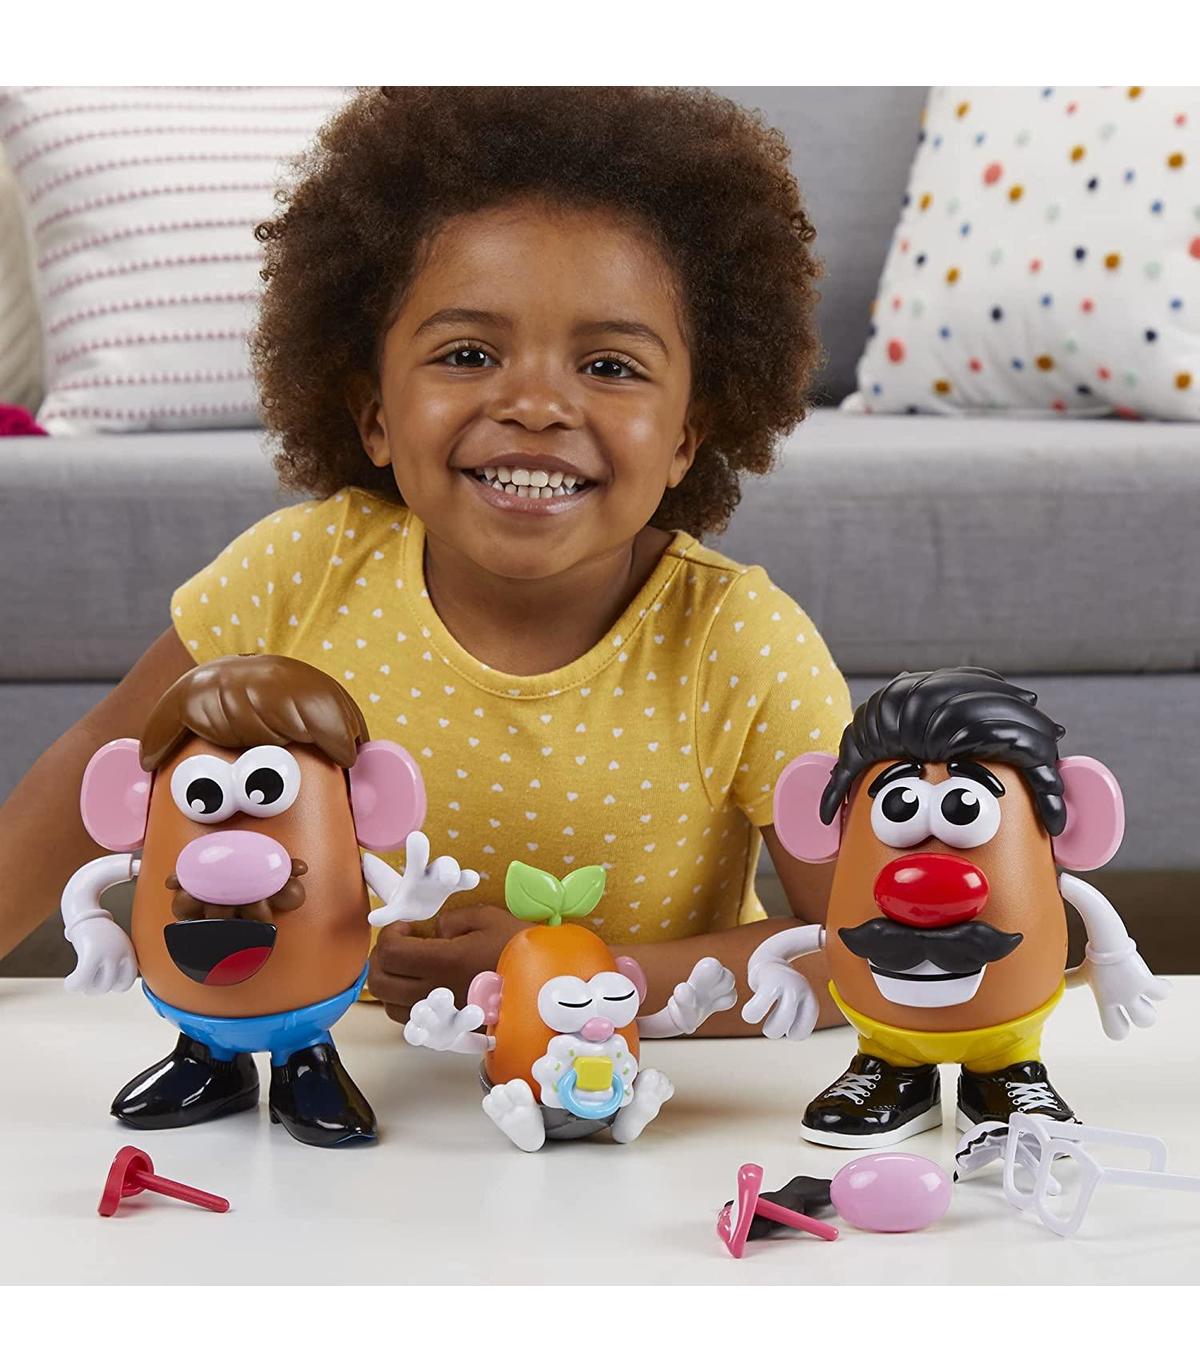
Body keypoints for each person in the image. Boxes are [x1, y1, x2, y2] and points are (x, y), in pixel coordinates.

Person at [0, 87, 850, 1034]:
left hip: (627, 1100)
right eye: (469, 354)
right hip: (330, 1074)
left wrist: (569, 980)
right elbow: (100, 767)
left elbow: (861, 946)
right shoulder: (300, 572)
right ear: (373, 413)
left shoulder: (740, 642)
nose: (536, 405)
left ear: (687, 436)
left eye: (609, 367)